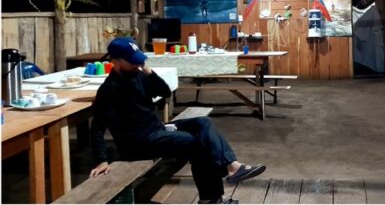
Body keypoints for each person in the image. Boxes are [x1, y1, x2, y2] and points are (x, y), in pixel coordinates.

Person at [89, 37, 265, 204]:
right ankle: (211, 198)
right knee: (194, 144)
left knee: (203, 123)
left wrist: (150, 73)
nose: (138, 63)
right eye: (132, 61)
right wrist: (101, 160)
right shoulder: (109, 89)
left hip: (156, 129)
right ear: (116, 61)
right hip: (139, 142)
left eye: (139, 59)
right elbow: (97, 127)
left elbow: (165, 92)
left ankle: (232, 166)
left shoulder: (139, 75)